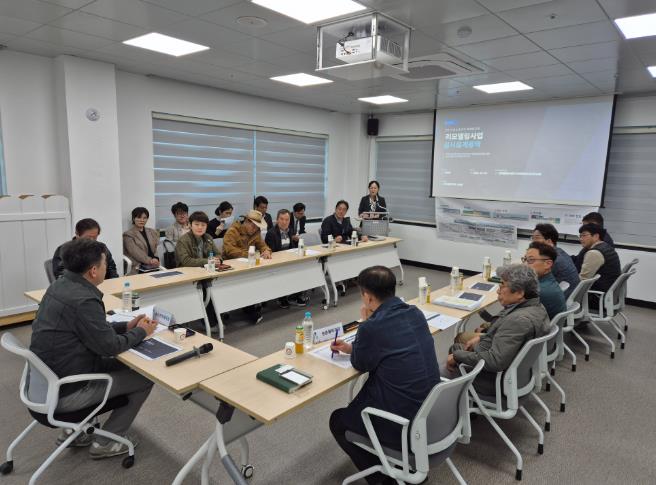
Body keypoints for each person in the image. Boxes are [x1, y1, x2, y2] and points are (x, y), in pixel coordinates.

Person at [30, 238, 157, 457]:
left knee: (122, 366)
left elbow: (88, 329)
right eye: (105, 263)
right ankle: (106, 442)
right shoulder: (84, 299)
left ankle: (75, 432)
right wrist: (142, 332)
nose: (107, 267)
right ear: (93, 270)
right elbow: (110, 347)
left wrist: (126, 326)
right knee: (144, 377)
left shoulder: (59, 286)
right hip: (67, 391)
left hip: (46, 383)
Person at [329, 266, 439, 485]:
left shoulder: (372, 327)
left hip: (403, 421)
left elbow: (361, 363)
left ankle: (384, 479)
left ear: (368, 297)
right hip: (431, 409)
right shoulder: (415, 312)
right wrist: (352, 347)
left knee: (338, 421)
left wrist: (365, 323)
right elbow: (388, 346)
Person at [448, 264, 550, 396]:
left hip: (496, 381)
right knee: (457, 348)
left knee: (450, 357)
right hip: (517, 373)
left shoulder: (518, 320)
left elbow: (494, 361)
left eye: (502, 286)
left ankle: (453, 398)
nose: (498, 291)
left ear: (519, 293)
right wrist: (482, 337)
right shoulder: (537, 307)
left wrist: (457, 356)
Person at [222, 210, 272, 324]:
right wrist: (251, 254)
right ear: (246, 221)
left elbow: (263, 245)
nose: (254, 229)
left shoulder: (256, 232)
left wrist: (266, 251)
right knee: (246, 282)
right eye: (253, 226)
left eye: (257, 227)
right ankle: (248, 308)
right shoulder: (232, 231)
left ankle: (250, 306)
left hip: (248, 266)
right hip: (230, 267)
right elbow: (230, 251)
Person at [265, 209, 307, 308]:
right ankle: (282, 298)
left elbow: (292, 248)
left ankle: (295, 295)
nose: (284, 222)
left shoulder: (290, 231)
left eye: (287, 219)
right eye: (282, 219)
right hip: (277, 264)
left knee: (303, 269)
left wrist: (297, 242)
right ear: (277, 220)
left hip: (289, 261)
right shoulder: (271, 233)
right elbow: (272, 253)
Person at [52, 218, 118, 280]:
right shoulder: (64, 250)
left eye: (95, 237)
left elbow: (111, 268)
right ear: (77, 235)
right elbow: (61, 275)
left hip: (102, 284)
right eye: (88, 238)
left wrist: (113, 282)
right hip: (76, 286)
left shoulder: (101, 248)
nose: (92, 241)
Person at [531, 223, 579, 298]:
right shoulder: (559, 251)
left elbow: (533, 279)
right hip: (568, 295)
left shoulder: (552, 259)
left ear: (549, 241)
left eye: (537, 238)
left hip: (561, 297)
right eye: (532, 238)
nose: (533, 241)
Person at [577, 223, 621, 300]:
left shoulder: (594, 253)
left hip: (597, 296)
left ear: (596, 236)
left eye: (584, 235)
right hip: (609, 294)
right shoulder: (606, 246)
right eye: (580, 236)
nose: (581, 239)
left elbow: (583, 280)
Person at [524, 242, 567, 320]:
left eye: (531, 260)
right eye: (525, 259)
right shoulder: (548, 281)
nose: (525, 264)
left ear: (548, 264)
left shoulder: (539, 291)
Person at [123, 207, 160, 275]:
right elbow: (135, 252)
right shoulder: (128, 235)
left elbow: (156, 247)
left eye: (144, 218)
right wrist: (150, 260)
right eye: (139, 217)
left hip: (154, 266)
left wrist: (156, 258)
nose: (142, 220)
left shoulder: (152, 232)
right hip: (138, 267)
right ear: (133, 219)